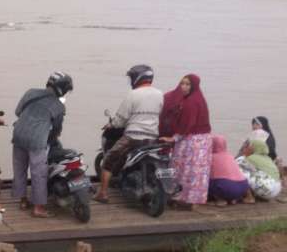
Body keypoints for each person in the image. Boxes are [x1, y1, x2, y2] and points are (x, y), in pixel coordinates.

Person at [94, 65, 163, 204]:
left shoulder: (133, 94)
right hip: (152, 138)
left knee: (109, 159)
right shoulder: (160, 94)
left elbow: (121, 119)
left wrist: (111, 124)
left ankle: (102, 193)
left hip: (133, 137)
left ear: (137, 78)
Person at [11, 72, 72, 218]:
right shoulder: (59, 106)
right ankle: (38, 208)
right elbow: (57, 130)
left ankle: (23, 200)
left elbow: (18, 112)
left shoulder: (30, 92)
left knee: (20, 169)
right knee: (39, 174)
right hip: (37, 140)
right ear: (62, 89)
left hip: (18, 134)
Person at [160, 74, 212, 209]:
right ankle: (192, 200)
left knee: (182, 168)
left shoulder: (190, 102)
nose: (183, 87)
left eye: (187, 84)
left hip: (192, 141)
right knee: (197, 172)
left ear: (193, 86)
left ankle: (181, 198)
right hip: (203, 140)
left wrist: (173, 138)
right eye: (182, 83)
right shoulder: (199, 99)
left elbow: (187, 124)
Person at [208, 135, 249, 206]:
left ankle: (220, 199)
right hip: (243, 187)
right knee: (225, 179)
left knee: (206, 180)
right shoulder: (230, 156)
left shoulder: (211, 157)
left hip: (226, 187)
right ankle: (233, 198)